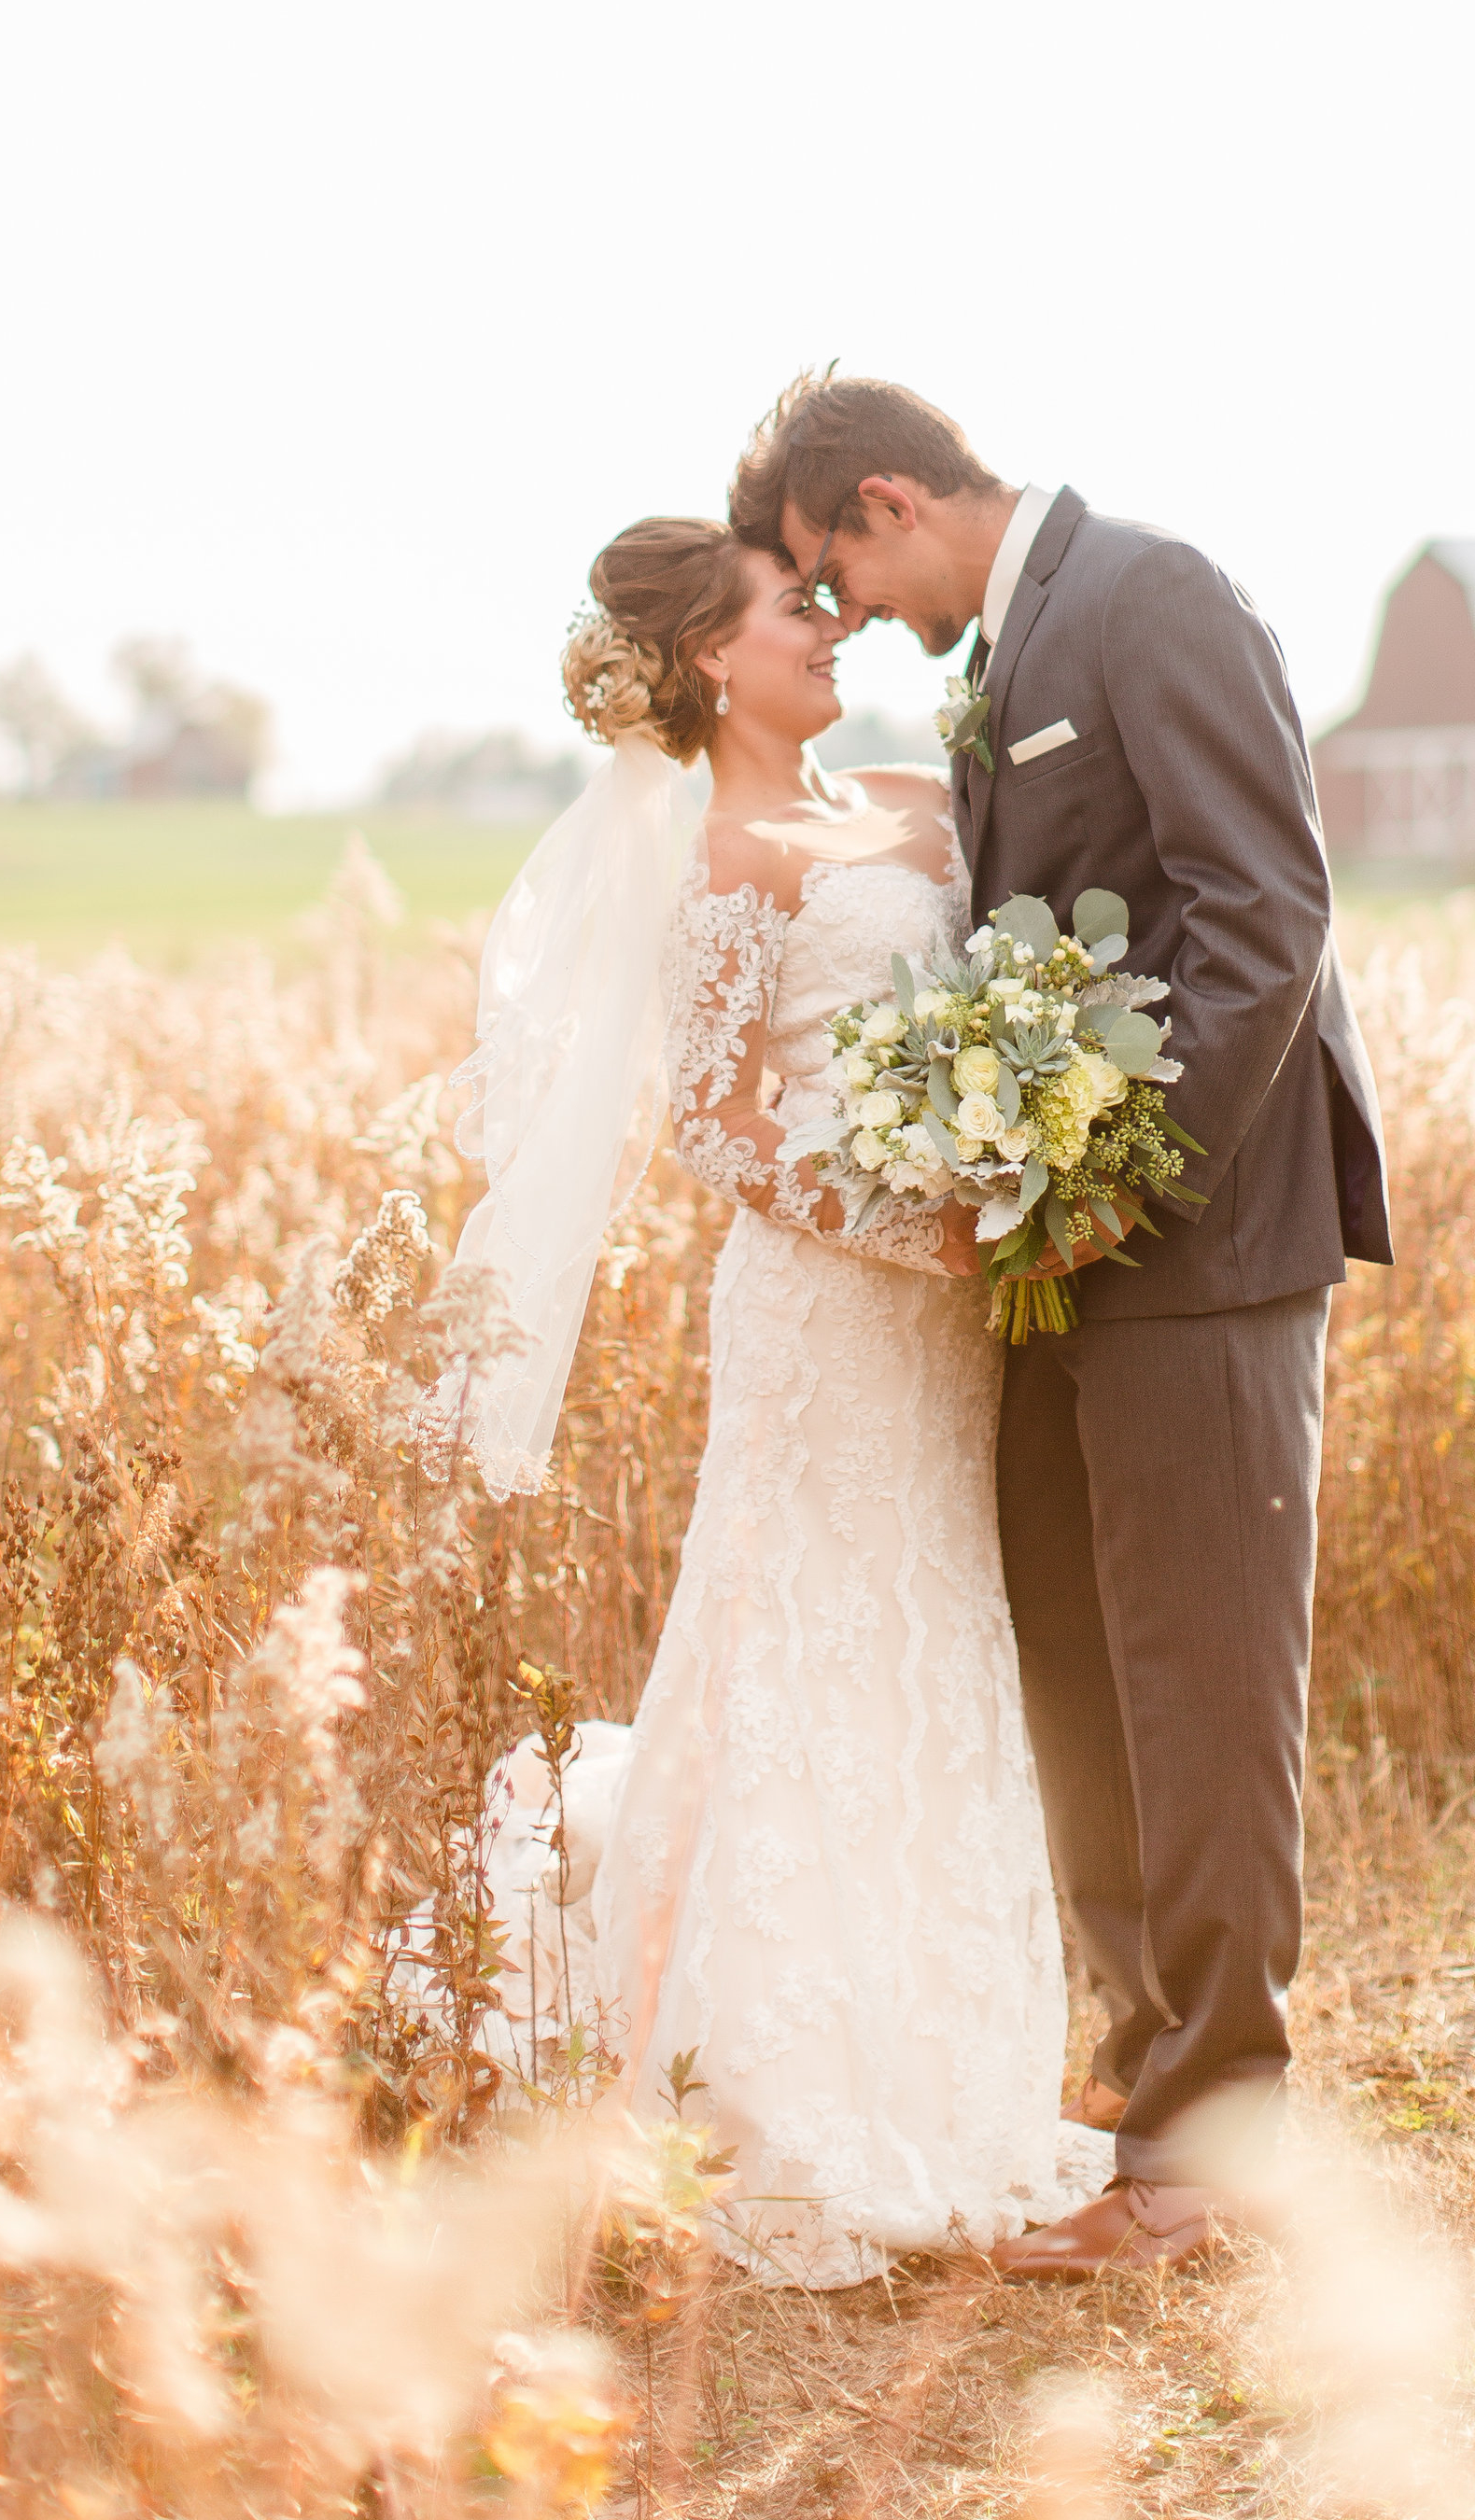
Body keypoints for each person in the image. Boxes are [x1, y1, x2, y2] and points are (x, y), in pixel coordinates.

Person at [727, 372, 1392, 2279]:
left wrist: (1114, 1178)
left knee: (1197, 1690)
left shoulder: (1150, 598)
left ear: (880, 498)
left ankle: (1212, 2151)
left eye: (830, 572)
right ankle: (1131, 2105)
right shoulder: (1007, 640)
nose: (843, 616)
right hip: (1054, 1258)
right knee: (1080, 1683)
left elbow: (1263, 915)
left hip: (1195, 1241)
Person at [428, 512, 1098, 2287]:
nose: (832, 624)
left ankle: (953, 2063)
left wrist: (1022, 1145)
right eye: (795, 609)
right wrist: (924, 1231)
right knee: (805, 1637)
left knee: (938, 1631)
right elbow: (722, 1130)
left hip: (952, 1308)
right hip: (833, 1312)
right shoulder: (721, 859)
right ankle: (790, 2078)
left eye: (825, 599)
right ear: (713, 658)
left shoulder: (904, 798)